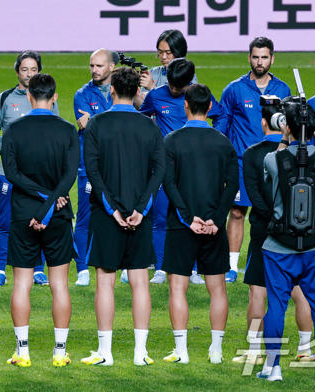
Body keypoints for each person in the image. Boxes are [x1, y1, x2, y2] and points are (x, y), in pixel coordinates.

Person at [81, 67, 165, 366]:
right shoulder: (150, 127)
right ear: (137, 92)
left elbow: (92, 170)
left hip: (107, 214)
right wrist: (141, 209)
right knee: (140, 280)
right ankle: (140, 353)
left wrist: (111, 207)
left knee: (106, 281)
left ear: (112, 90)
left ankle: (105, 353)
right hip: (139, 214)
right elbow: (159, 171)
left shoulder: (97, 124)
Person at [257, 99, 315, 383]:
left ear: (288, 127)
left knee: (276, 308)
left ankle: (273, 367)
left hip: (279, 247)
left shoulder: (272, 159)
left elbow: (274, 165)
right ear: (314, 126)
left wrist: (285, 137)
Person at [1, 74, 79, 368]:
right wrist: (51, 199)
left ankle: (22, 352)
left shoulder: (14, 130)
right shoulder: (68, 130)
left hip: (24, 215)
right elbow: (70, 175)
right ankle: (59, 353)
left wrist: (39, 199)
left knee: (21, 283)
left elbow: (11, 173)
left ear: (30, 97)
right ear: (55, 97)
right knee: (59, 284)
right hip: (58, 213)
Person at [233, 103, 315, 365]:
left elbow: (254, 196)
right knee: (299, 289)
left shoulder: (252, 153)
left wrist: (271, 218)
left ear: (263, 123)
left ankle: (256, 350)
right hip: (296, 228)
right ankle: (304, 348)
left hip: (263, 229)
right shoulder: (301, 152)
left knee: (258, 290)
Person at [161, 84, 236, 364]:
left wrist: (186, 216)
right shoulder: (223, 142)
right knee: (217, 288)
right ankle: (215, 351)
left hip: (182, 226)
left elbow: (168, 183)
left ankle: (181, 352)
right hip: (214, 227)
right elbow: (232, 187)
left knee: (178, 288)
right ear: (209, 108)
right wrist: (216, 219)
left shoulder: (172, 140)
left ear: (186, 105)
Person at [215, 37, 291, 283]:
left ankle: (271, 259)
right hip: (241, 162)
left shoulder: (283, 90)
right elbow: (223, 127)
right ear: (249, 58)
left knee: (272, 211)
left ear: (272, 58)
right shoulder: (234, 89)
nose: (260, 62)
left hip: (275, 162)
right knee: (237, 212)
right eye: (256, 57)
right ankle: (231, 266)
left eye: (264, 57)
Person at [139, 58, 220, 285]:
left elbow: (220, 115)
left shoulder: (196, 96)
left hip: (194, 167)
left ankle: (193, 268)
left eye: (178, 86)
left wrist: (211, 138)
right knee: (161, 218)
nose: (174, 90)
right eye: (171, 84)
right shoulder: (155, 96)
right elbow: (142, 119)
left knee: (194, 216)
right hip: (165, 166)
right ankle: (161, 268)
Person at [0, 51, 55, 287]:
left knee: (38, 220)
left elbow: (53, 133)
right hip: (10, 174)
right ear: (17, 71)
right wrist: (9, 155)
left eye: (33, 70)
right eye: (25, 69)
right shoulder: (5, 98)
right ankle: (0, 270)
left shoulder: (47, 100)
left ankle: (38, 269)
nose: (29, 74)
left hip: (39, 177)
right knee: (5, 222)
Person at [72, 49, 117, 287]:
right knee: (85, 217)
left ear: (111, 67)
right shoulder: (82, 94)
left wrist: (96, 120)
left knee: (120, 213)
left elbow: (99, 125)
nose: (94, 70)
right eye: (92, 66)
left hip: (117, 165)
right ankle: (82, 268)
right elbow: (108, 126)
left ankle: (121, 265)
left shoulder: (120, 89)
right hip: (88, 166)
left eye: (99, 66)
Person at [134, 29, 197, 108]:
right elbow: (142, 106)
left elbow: (181, 107)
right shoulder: (152, 73)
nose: (163, 57)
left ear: (179, 52)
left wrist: (152, 88)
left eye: (168, 53)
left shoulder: (186, 75)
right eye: (160, 52)